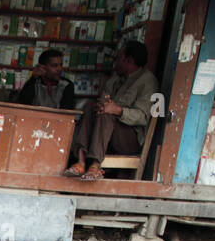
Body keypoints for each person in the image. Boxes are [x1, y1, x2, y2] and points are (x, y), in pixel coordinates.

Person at [63, 41, 157, 180]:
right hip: (105, 135)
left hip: (129, 140)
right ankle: (81, 161)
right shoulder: (115, 79)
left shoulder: (147, 81)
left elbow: (142, 117)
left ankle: (95, 165)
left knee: (107, 113)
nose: (115, 62)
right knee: (90, 106)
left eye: (118, 58)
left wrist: (118, 110)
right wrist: (103, 106)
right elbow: (103, 102)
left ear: (128, 60)